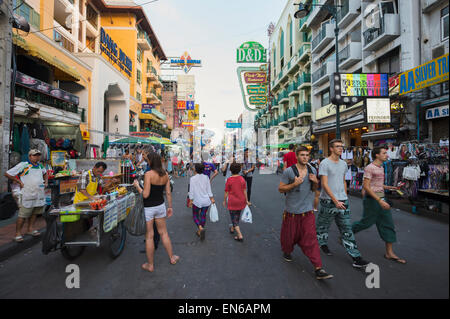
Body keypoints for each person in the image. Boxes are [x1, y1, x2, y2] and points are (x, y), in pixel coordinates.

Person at [278, 147, 333, 280]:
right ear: (297, 156)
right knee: (289, 239)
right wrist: (293, 184)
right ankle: (287, 251)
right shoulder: (289, 172)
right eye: (302, 155)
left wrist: (315, 183)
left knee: (311, 240)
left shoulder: (312, 170)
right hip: (292, 212)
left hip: (307, 212)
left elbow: (314, 189)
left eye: (307, 155)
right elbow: (280, 189)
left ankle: (318, 268)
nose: (305, 157)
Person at [316, 139, 370, 268]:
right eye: (337, 146)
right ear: (331, 148)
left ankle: (356, 257)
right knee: (323, 226)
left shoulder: (343, 164)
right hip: (328, 201)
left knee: (346, 228)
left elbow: (343, 181)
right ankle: (322, 244)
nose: (341, 149)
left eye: (342, 146)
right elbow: (324, 184)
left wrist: (344, 196)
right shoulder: (325, 163)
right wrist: (335, 200)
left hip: (342, 200)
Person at [352, 146, 406, 264]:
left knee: (388, 224)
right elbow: (366, 186)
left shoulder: (381, 168)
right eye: (384, 153)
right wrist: (379, 200)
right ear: (377, 155)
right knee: (366, 223)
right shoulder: (369, 168)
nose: (387, 155)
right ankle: (347, 234)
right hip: (372, 199)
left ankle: (389, 253)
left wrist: (392, 188)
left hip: (381, 197)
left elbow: (378, 185)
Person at [133, 152, 179, 272]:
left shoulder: (148, 174)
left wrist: (138, 186)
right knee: (164, 233)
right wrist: (170, 207)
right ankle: (172, 257)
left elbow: (146, 194)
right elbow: (168, 193)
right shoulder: (165, 174)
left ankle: (150, 264)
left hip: (149, 208)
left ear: (151, 162)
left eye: (148, 160)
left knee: (149, 236)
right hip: (160, 206)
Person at [5, 149, 48, 242]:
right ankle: (17, 233)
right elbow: (8, 173)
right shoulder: (24, 165)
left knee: (35, 213)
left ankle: (30, 229)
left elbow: (45, 173)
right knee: (23, 215)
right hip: (27, 194)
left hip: (38, 194)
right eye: (34, 155)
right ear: (30, 156)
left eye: (38, 155)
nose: (37, 157)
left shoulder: (40, 166)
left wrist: (46, 183)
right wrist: (19, 181)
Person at [223, 163, 250, 242]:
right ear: (240, 170)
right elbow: (245, 191)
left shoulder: (229, 180)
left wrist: (224, 200)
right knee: (237, 216)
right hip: (241, 200)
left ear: (230, 170)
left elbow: (226, 192)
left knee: (233, 217)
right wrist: (247, 200)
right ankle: (232, 228)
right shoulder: (242, 179)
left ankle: (239, 235)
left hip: (232, 201)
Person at [188, 163, 215, 240]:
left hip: (197, 201)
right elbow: (209, 189)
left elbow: (191, 191)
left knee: (195, 215)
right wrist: (212, 198)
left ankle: (200, 228)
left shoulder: (192, 179)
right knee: (203, 216)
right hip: (206, 200)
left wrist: (190, 200)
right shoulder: (206, 177)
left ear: (195, 169)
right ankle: (201, 229)